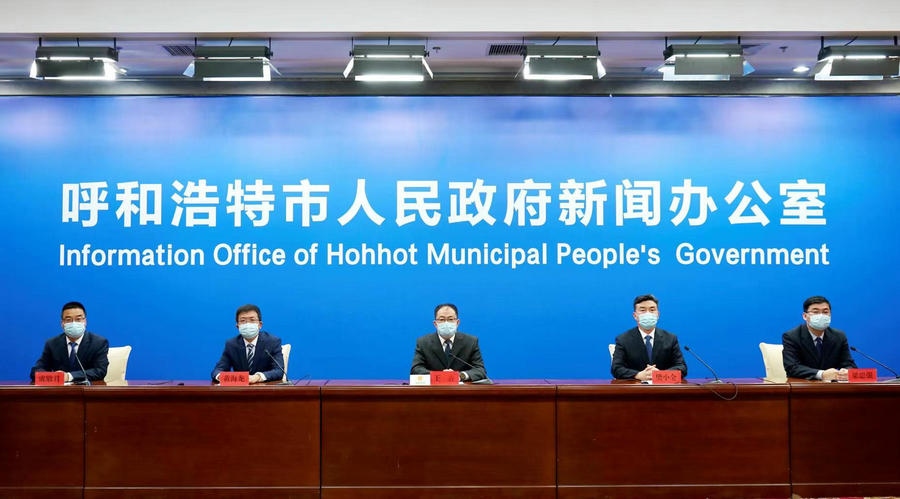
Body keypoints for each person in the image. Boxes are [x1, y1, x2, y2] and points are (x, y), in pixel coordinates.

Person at [611, 294, 687, 381]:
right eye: (643, 310)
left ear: (658, 314)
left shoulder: (670, 338)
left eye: (652, 310)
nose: (648, 314)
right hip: (635, 386)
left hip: (663, 386)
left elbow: (682, 367)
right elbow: (616, 368)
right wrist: (638, 375)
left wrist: (660, 375)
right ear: (635, 316)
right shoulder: (623, 339)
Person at [31, 301, 109, 383]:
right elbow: (36, 371)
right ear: (62, 323)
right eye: (68, 320)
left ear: (85, 322)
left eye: (78, 319)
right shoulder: (52, 343)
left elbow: (100, 371)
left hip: (87, 389)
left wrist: (69, 376)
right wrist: (54, 377)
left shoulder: (99, 343)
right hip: (60, 390)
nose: (74, 323)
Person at [782, 295, 856, 381]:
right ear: (805, 316)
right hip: (803, 385)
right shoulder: (792, 336)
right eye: (816, 312)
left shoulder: (839, 336)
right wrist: (821, 374)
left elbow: (849, 364)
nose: (821, 315)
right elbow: (792, 368)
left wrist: (847, 371)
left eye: (825, 312)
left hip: (832, 386)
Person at [411, 303, 487, 382]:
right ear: (435, 324)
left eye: (450, 319)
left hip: (461, 388)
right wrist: (441, 376)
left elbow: (480, 370)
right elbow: (416, 369)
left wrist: (460, 376)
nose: (446, 323)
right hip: (434, 388)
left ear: (457, 322)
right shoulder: (423, 342)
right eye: (441, 319)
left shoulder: (470, 342)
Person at [212, 304, 285, 384]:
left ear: (260, 325)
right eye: (243, 321)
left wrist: (257, 377)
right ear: (237, 326)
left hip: (265, 388)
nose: (247, 324)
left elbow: (279, 371)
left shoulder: (272, 342)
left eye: (252, 320)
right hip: (240, 389)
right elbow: (217, 371)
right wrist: (223, 377)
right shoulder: (231, 344)